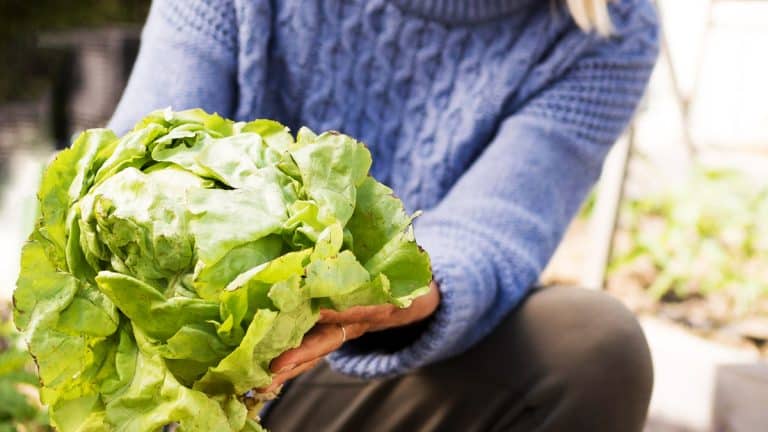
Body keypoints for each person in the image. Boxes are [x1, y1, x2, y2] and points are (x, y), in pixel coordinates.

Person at [109, 0, 659, 430]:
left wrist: (404, 283)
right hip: (205, 366)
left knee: (594, 345)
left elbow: (498, 220)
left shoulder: (608, 27)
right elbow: (140, 163)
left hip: (377, 357)